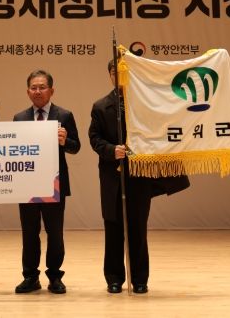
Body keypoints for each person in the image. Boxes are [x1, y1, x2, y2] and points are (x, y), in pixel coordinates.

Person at [89, 60, 190, 294]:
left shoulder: (146, 103)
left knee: (137, 229)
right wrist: (111, 150)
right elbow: (94, 138)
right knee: (113, 229)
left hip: (139, 175)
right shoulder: (100, 106)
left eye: (123, 72)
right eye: (114, 72)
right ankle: (114, 278)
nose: (118, 76)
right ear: (109, 76)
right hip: (113, 177)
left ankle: (140, 279)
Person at [13, 70, 80, 295]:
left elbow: (76, 147)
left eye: (42, 87)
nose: (38, 91)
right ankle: (30, 277)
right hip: (27, 185)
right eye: (33, 87)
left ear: (51, 90)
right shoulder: (19, 118)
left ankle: (55, 276)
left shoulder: (65, 115)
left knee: (55, 233)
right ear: (27, 91)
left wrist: (65, 141)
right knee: (29, 233)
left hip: (55, 185)